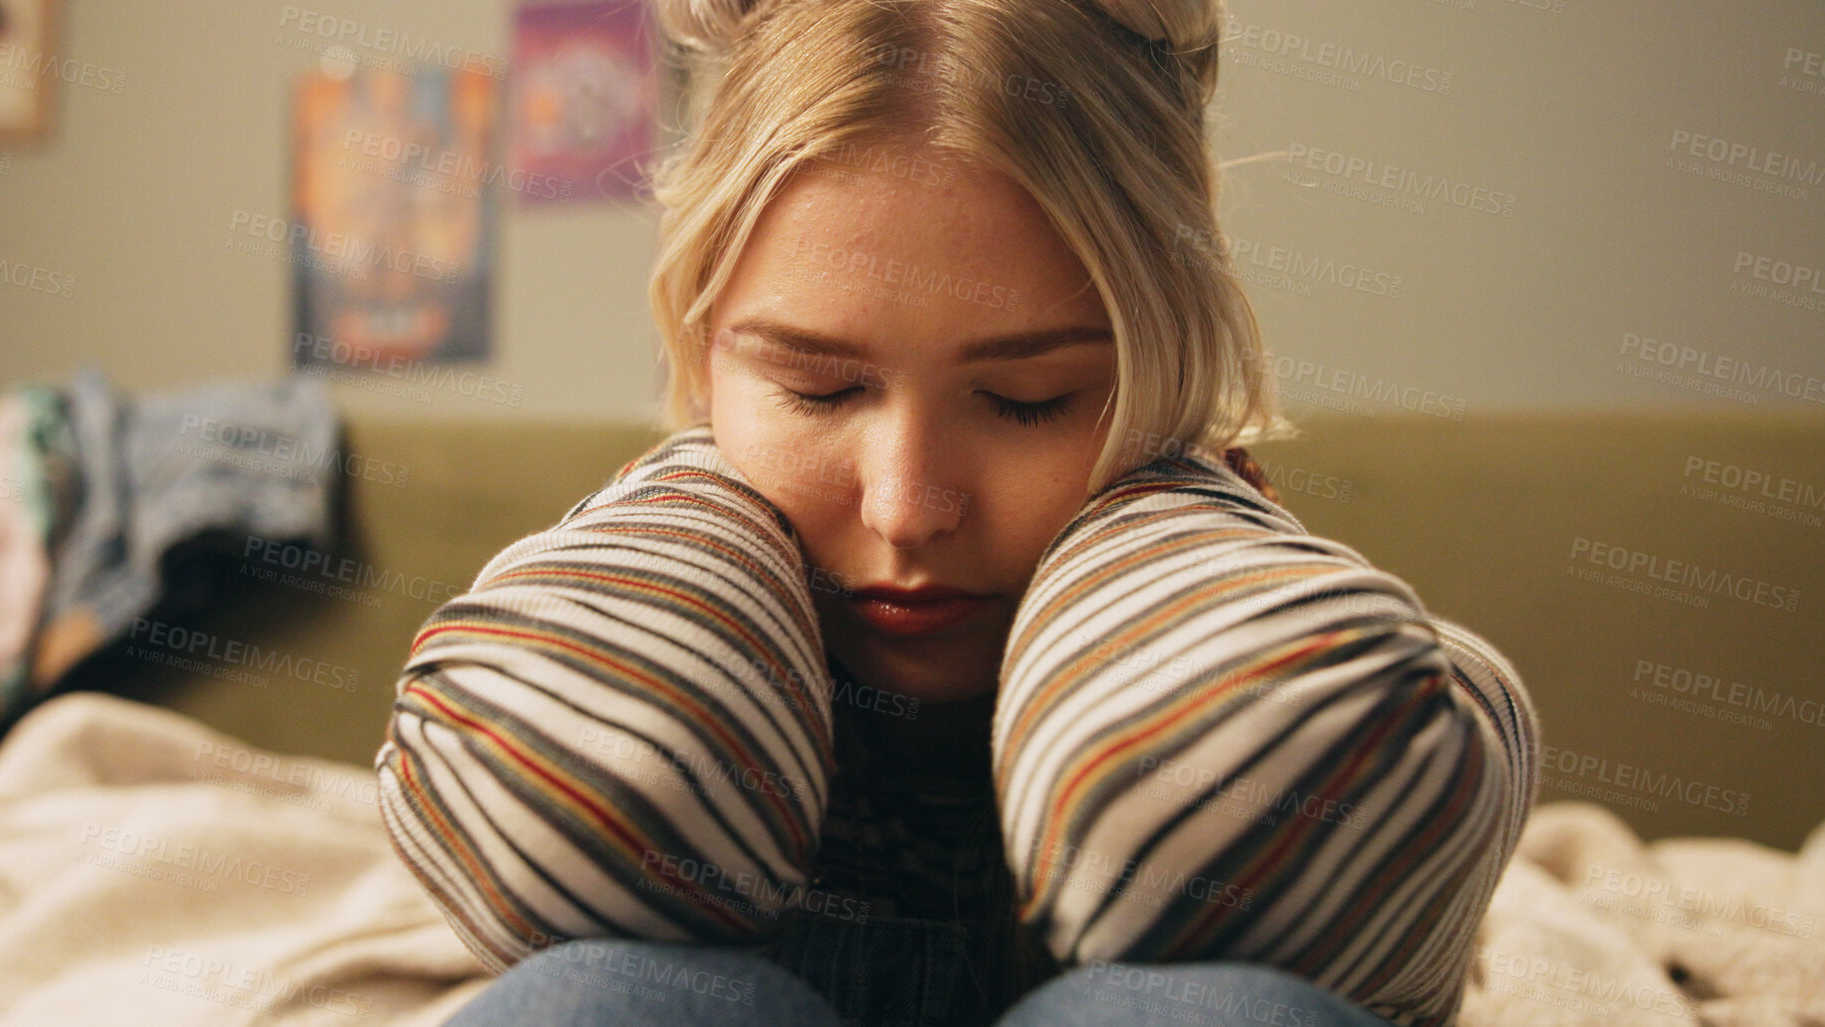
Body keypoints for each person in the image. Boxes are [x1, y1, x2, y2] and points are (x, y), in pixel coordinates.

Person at [373, 1, 1540, 1024]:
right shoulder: (663, 588)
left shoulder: (1318, 679)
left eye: (1028, 401)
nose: (907, 505)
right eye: (819, 388)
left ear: (1170, 365)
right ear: (703, 349)